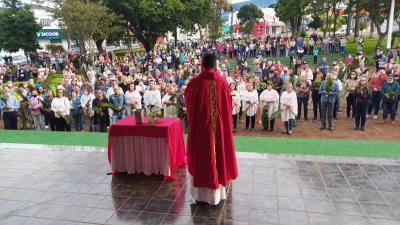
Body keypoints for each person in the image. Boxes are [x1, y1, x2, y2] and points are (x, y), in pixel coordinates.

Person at [185, 53, 238, 206]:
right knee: (218, 155)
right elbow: (227, 109)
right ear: (216, 65)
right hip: (219, 131)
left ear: (202, 64)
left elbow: (189, 106)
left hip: (201, 132)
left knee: (203, 159)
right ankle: (217, 195)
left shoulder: (194, 83)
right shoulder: (222, 82)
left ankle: (201, 196)